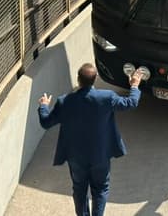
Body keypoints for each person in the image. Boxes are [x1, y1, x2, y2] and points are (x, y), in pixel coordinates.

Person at [38, 63, 142, 216]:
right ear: (95, 79)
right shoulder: (107, 97)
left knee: (79, 190)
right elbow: (131, 103)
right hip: (100, 155)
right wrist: (134, 85)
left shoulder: (64, 101)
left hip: (76, 157)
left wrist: (43, 106)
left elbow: (45, 122)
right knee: (100, 189)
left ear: (78, 79)